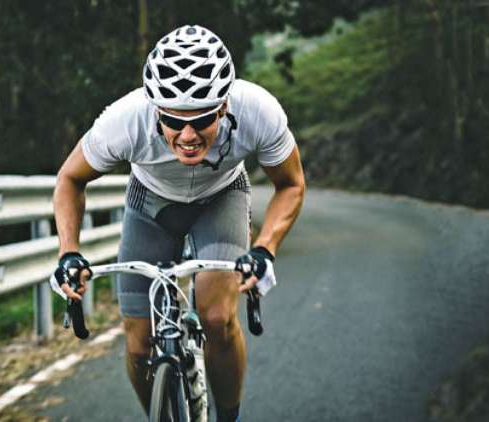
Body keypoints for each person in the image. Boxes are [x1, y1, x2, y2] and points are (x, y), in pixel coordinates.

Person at [50, 24, 305, 422]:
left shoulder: (258, 110)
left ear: (223, 107)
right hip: (150, 203)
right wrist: (69, 252)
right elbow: (70, 179)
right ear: (155, 110)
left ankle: (228, 418)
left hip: (222, 196)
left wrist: (265, 247)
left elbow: (290, 184)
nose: (187, 135)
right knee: (137, 344)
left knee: (217, 317)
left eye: (201, 119)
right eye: (172, 120)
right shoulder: (124, 121)